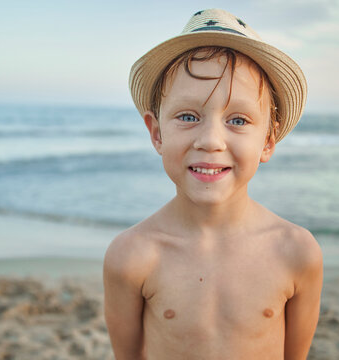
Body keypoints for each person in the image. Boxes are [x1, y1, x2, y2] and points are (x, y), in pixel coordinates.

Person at [103, 8, 323, 360]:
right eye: (188, 116)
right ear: (157, 133)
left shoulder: (296, 252)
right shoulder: (131, 256)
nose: (211, 140)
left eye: (238, 119)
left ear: (268, 141)